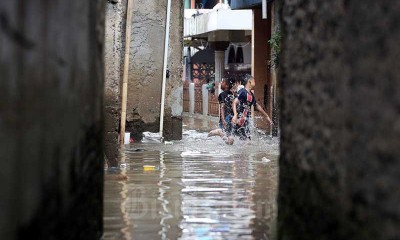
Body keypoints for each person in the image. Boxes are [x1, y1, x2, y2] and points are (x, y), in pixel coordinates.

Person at [229, 74, 272, 142]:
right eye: (254, 80)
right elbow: (234, 102)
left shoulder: (251, 94)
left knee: (247, 142)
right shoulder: (243, 91)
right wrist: (235, 115)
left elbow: (257, 106)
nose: (255, 81)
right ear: (249, 81)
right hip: (237, 120)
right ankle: (220, 133)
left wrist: (266, 116)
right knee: (230, 141)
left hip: (244, 122)